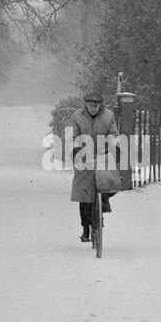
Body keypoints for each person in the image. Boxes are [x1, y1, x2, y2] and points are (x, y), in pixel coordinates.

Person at [69, 89, 118, 242]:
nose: (93, 107)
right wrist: (77, 149)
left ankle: (103, 202)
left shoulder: (108, 116)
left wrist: (113, 146)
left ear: (100, 106)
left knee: (112, 183)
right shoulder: (77, 116)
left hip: (103, 156)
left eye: (96, 105)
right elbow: (74, 135)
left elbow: (113, 133)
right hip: (84, 157)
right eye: (90, 105)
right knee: (84, 194)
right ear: (86, 105)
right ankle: (85, 229)